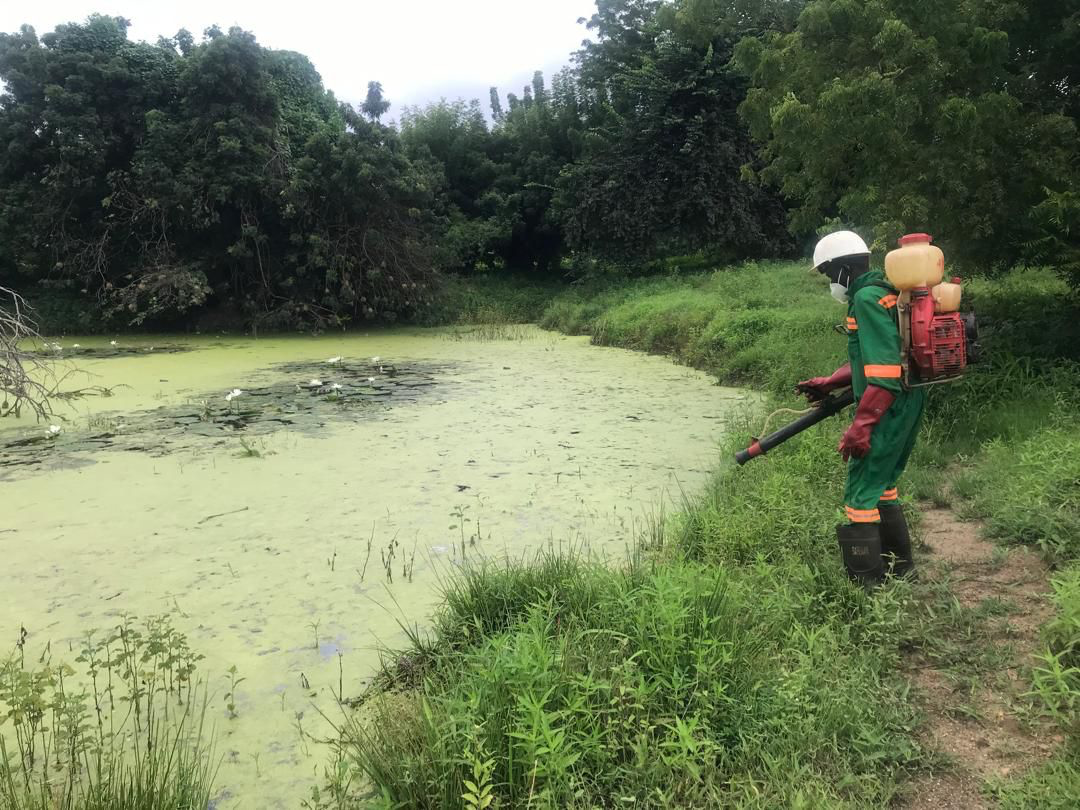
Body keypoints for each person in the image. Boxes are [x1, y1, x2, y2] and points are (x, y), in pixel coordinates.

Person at [797, 231, 925, 588]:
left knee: (861, 493)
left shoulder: (866, 299)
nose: (828, 282)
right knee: (883, 485)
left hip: (888, 403)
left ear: (841, 269)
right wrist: (829, 381)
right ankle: (901, 570)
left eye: (827, 274)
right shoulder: (882, 292)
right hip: (907, 400)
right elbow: (873, 358)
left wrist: (862, 427)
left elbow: (883, 376)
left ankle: (867, 587)